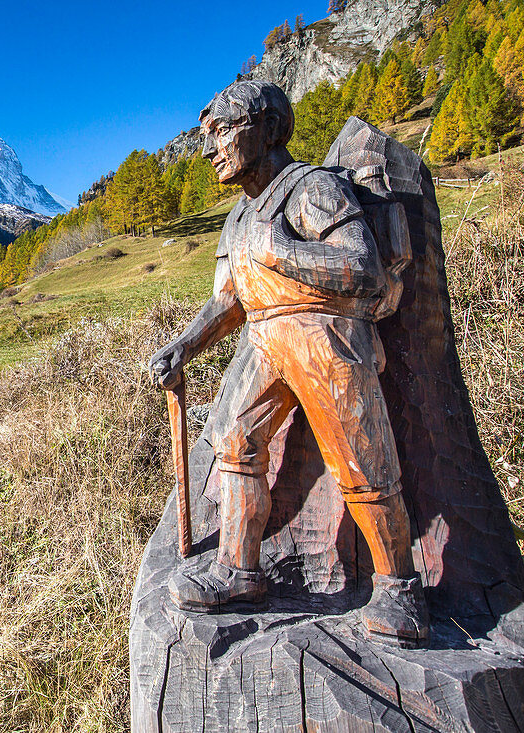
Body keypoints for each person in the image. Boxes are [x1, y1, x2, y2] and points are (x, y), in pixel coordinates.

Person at [148, 81, 428, 648]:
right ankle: (239, 569)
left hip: (325, 334)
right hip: (263, 338)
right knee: (233, 442)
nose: (210, 149)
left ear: (271, 128)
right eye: (208, 135)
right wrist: (185, 344)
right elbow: (230, 298)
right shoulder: (236, 219)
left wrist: (281, 251)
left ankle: (400, 586)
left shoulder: (313, 189)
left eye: (224, 130)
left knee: (361, 457)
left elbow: (364, 269)